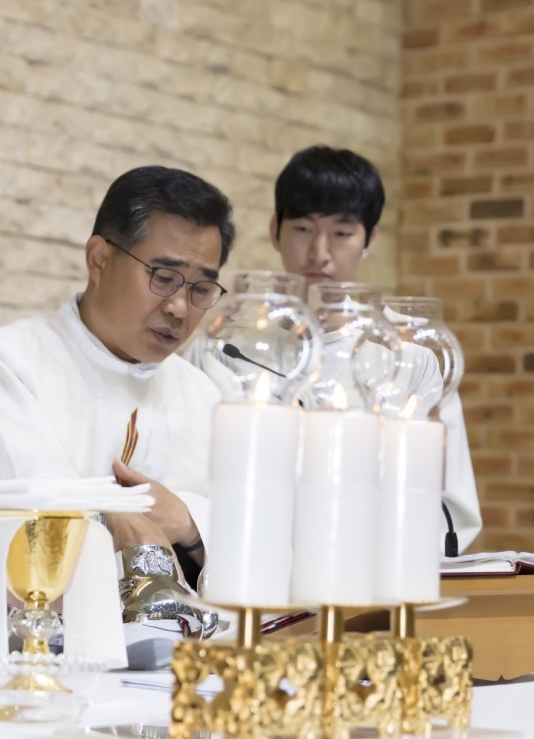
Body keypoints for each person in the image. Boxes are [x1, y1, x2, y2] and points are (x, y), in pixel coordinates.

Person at [0, 166, 235, 573]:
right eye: (163, 278)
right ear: (99, 259)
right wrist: (113, 516)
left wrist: (190, 523)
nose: (179, 307)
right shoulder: (2, 363)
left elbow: (256, 542)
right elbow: (17, 520)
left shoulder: (208, 399)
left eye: (201, 289)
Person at [189, 144, 482, 552]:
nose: (320, 253)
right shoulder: (223, 353)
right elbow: (195, 488)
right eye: (303, 229)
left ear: (369, 240)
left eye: (342, 234)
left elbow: (450, 514)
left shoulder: (410, 357)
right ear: (275, 231)